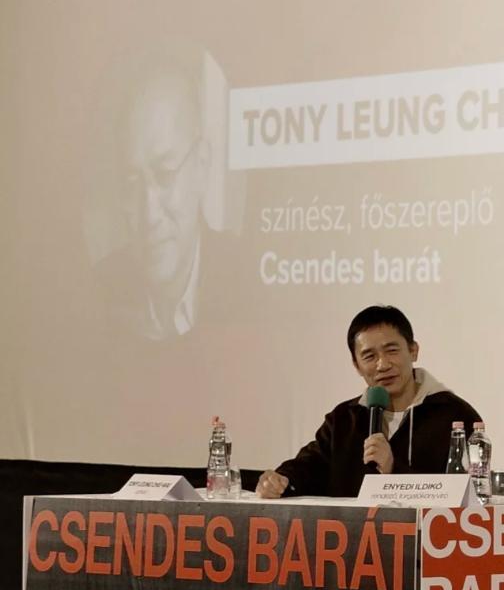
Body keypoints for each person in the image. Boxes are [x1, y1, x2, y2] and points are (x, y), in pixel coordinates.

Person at [257, 305, 481, 498]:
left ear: (413, 351)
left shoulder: (455, 417)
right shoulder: (345, 418)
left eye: (391, 351)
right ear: (356, 365)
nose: (383, 365)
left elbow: (469, 494)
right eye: (369, 356)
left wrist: (393, 469)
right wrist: (280, 480)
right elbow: (309, 467)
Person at [95, 47, 235, 341]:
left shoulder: (247, 282)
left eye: (165, 174)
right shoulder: (95, 294)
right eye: (131, 183)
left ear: (201, 165)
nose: (149, 213)